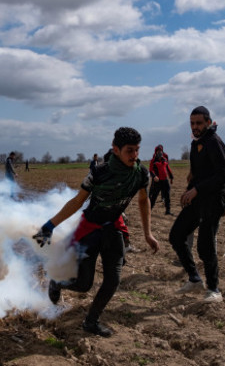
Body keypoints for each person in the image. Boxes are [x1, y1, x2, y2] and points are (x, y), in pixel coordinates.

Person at [33, 127, 159, 337]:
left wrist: (148, 234)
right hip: (90, 230)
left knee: (113, 280)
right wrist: (49, 226)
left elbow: (144, 200)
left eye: (137, 150)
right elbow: (76, 202)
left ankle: (91, 321)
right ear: (116, 150)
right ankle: (57, 282)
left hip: (113, 228)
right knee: (83, 285)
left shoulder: (141, 174)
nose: (134, 155)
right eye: (130, 150)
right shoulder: (99, 173)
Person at [169, 106, 225, 303]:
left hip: (213, 200)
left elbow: (223, 175)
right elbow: (197, 173)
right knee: (176, 235)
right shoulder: (196, 144)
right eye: (192, 123)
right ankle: (194, 278)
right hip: (198, 199)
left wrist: (197, 190)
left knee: (205, 246)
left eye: (199, 123)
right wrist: (189, 190)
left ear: (208, 123)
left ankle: (214, 289)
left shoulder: (214, 142)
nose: (194, 127)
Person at [149, 147, 174, 215]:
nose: (160, 152)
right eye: (158, 151)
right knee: (154, 196)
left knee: (167, 195)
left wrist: (171, 177)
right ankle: (148, 211)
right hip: (157, 181)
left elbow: (168, 169)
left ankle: (168, 211)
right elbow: (151, 170)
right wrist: (154, 176)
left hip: (165, 181)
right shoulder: (153, 161)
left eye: (161, 151)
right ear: (156, 152)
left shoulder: (165, 160)